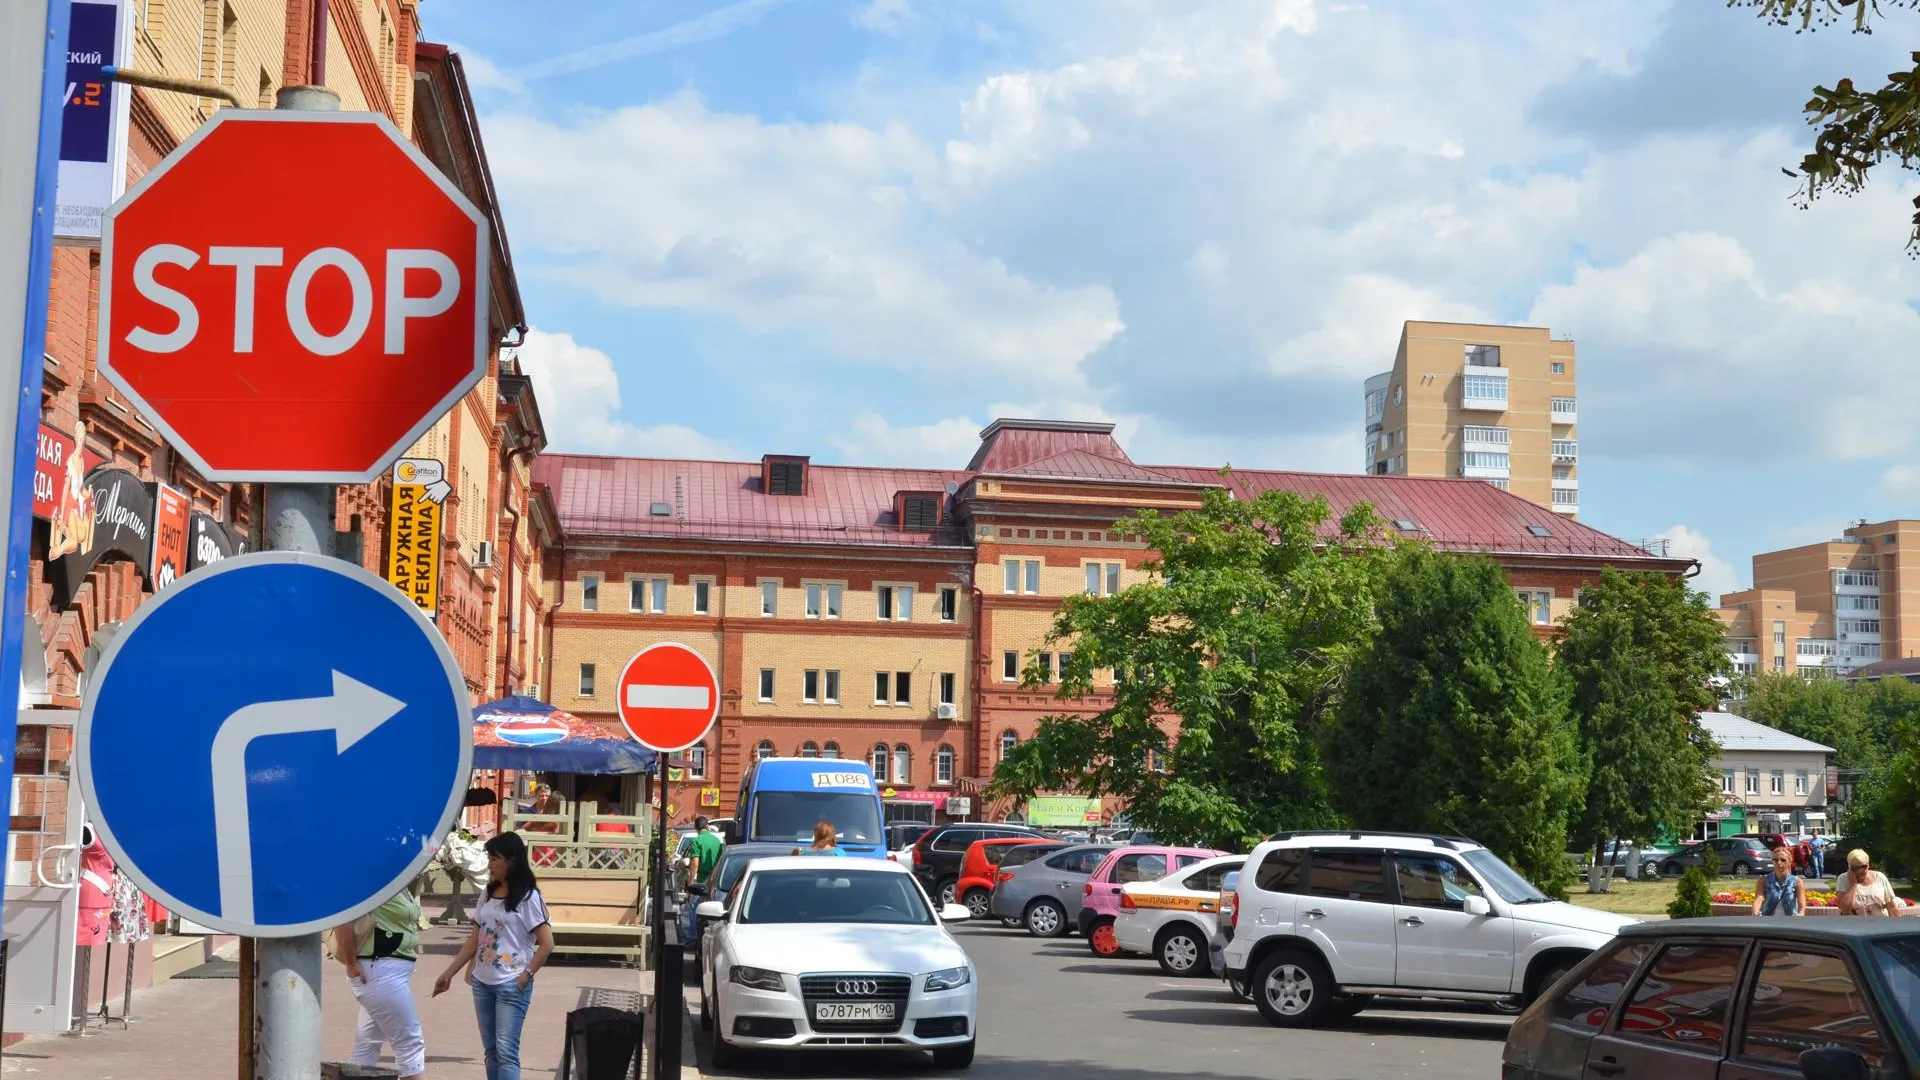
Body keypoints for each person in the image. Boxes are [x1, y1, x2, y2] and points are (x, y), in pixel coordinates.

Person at [434, 833, 555, 1080]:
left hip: (512, 983)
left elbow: (547, 944)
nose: (489, 864)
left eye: (494, 858)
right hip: (482, 982)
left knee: (507, 1051)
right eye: (488, 858)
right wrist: (448, 974)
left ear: (511, 860)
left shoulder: (529, 897)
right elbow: (473, 940)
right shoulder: (487, 894)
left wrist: (525, 976)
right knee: (491, 1051)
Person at [335, 885, 426, 1080]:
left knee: (367, 1044)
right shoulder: (374, 881)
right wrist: (351, 963)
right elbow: (344, 918)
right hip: (379, 970)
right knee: (409, 1043)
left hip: (390, 972)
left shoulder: (401, 882)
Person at [1836, 849, 1897, 917]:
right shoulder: (1843, 879)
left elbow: (1892, 907)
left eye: (1863, 866)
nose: (1860, 871)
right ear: (1849, 866)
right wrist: (1852, 885)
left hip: (1880, 924)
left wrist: (1898, 925)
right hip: (1854, 925)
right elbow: (1844, 909)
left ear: (1868, 865)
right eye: (1855, 868)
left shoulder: (1880, 877)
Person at [1753, 846, 1806, 917]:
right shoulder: (1764, 880)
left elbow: (1802, 907)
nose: (1779, 862)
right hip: (1768, 922)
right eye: (1775, 860)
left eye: (1783, 860)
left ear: (1789, 862)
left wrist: (1800, 914)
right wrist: (1756, 912)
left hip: (1789, 922)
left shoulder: (1797, 881)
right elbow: (1758, 899)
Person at [686, 815, 724, 892]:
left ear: (696, 828)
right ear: (707, 826)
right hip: (716, 881)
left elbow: (695, 864)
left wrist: (690, 883)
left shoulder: (696, 841)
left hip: (702, 881)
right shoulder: (716, 840)